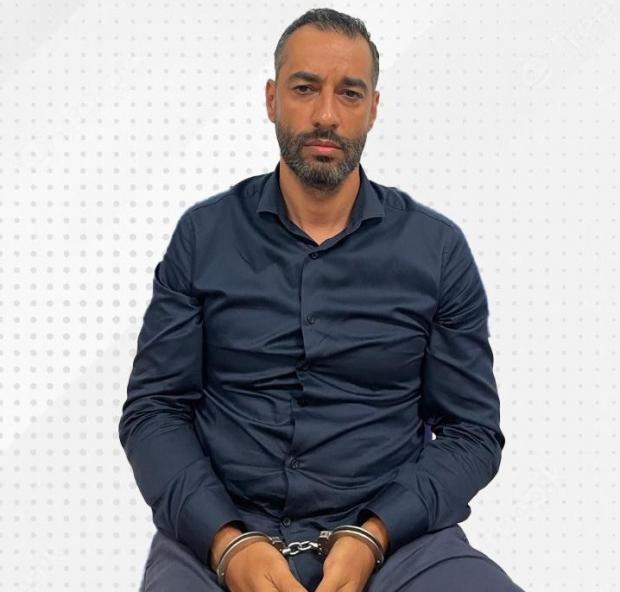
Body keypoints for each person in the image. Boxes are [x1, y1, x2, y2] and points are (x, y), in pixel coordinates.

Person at [118, 7, 526, 592]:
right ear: (271, 99)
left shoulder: (436, 251)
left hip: (398, 546)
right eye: (305, 88)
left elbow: (472, 432)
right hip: (219, 540)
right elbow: (154, 411)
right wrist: (226, 542)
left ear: (373, 109)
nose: (326, 115)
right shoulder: (203, 237)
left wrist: (374, 535)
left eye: (349, 93)